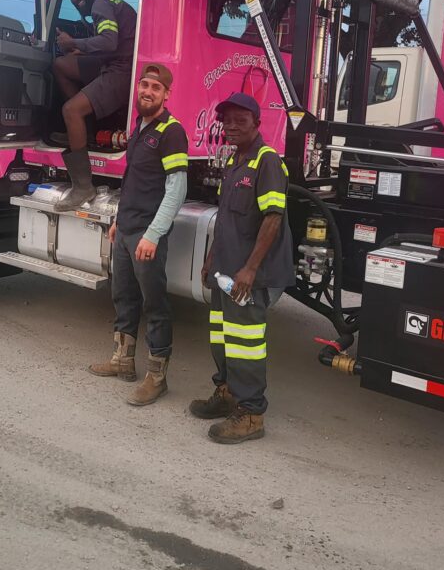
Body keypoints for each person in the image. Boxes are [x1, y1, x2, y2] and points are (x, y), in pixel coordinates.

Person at [189, 93, 294, 443]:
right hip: (225, 270)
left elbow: (273, 218)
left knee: (246, 343)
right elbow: (226, 220)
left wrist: (250, 269)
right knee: (223, 337)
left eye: (240, 120)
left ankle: (251, 415)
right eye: (227, 120)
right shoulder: (235, 162)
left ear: (257, 124)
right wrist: (210, 259)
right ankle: (228, 392)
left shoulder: (267, 161)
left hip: (247, 275)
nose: (231, 126)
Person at [89, 63, 188, 406]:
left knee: (155, 304)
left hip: (148, 235)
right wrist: (118, 218)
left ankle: (157, 377)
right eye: (144, 85)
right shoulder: (140, 126)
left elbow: (176, 190)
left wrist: (153, 234)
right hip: (127, 228)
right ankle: (123, 360)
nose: (147, 91)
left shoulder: (172, 131)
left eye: (155, 88)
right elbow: (133, 181)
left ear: (166, 94)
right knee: (124, 296)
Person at [52, 0, 137, 211]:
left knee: (71, 110)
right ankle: (84, 133)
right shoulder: (106, 1)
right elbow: (110, 44)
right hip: (111, 61)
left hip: (122, 70)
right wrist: (82, 50)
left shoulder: (100, 5)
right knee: (61, 64)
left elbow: (109, 40)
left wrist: (73, 43)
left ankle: (82, 186)